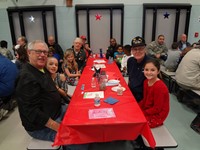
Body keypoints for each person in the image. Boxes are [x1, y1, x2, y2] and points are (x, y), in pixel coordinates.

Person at [15, 40, 88, 150]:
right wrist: (59, 127)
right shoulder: (26, 77)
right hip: (42, 126)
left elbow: (55, 89)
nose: (43, 55)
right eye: (38, 52)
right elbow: (32, 112)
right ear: (29, 53)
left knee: (83, 114)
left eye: (45, 52)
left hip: (58, 110)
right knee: (78, 139)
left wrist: (71, 100)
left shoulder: (42, 69)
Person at [139, 59, 169, 128]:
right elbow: (145, 99)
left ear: (158, 71)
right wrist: (137, 107)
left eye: (152, 70)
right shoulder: (146, 82)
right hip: (149, 109)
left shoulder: (159, 87)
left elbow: (157, 108)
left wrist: (143, 113)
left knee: (138, 122)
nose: (149, 72)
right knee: (133, 113)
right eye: (146, 70)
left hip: (158, 114)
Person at [127, 36, 150, 102]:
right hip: (131, 95)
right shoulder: (130, 61)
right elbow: (130, 78)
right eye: (135, 49)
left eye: (140, 49)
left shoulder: (150, 63)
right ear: (132, 50)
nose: (137, 51)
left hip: (144, 98)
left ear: (145, 49)